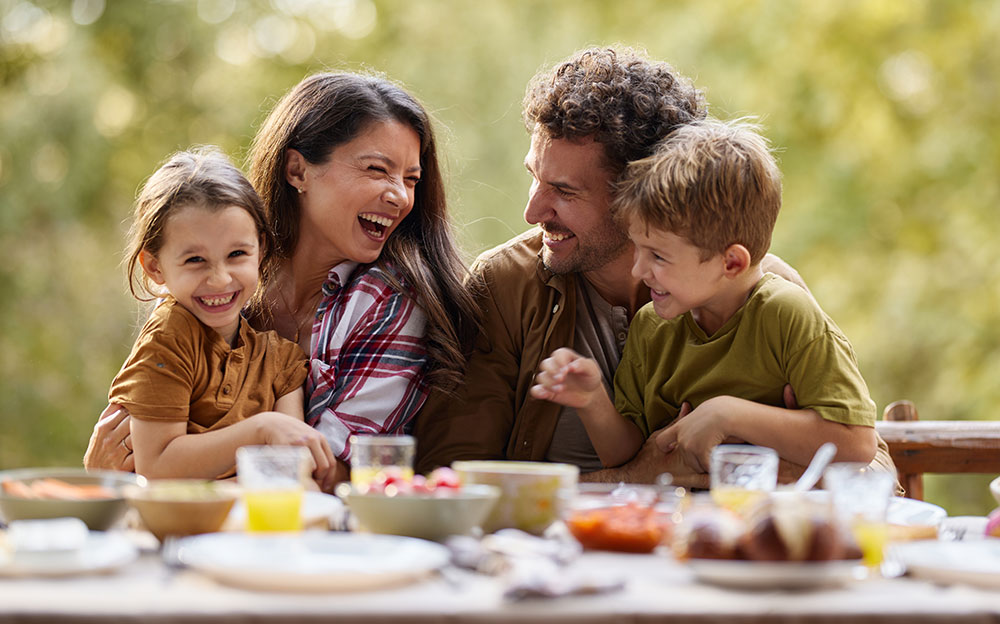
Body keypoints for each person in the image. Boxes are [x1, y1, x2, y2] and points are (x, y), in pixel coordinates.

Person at [414, 46, 898, 487]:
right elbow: (451, 481)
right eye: (534, 178)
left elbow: (870, 463)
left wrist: (733, 438)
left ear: (638, 195)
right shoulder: (505, 285)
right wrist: (650, 472)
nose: (533, 211)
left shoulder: (759, 291)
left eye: (564, 191)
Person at [85, 72, 479, 484]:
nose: (400, 195)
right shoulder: (221, 283)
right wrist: (106, 475)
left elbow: (319, 471)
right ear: (297, 170)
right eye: (377, 169)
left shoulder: (386, 301)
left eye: (411, 179)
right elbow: (145, 448)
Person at [530, 118, 878, 474]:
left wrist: (727, 415)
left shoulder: (786, 314)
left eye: (659, 257)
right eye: (639, 250)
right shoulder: (652, 326)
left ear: (731, 262)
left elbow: (858, 444)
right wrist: (592, 401)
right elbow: (627, 457)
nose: (639, 271)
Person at [106, 147, 336, 486]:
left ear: (260, 248)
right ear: (155, 267)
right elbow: (156, 466)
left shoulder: (281, 361)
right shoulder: (169, 338)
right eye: (195, 260)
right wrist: (262, 429)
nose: (219, 279)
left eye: (237, 254)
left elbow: (292, 473)